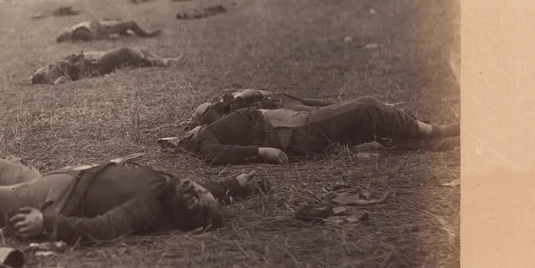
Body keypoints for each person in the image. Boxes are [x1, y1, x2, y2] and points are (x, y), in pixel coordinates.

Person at [0, 159, 268, 247]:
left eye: (195, 200)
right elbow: (205, 188)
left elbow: (104, 228)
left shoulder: (152, 206)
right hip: (59, 176)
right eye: (202, 190)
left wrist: (49, 227)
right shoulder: (177, 188)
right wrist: (237, 183)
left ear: (181, 216)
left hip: (50, 197)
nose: (196, 189)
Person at [167, 95, 459, 165]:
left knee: (363, 125)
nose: (194, 128)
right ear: (187, 139)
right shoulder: (203, 138)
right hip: (292, 132)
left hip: (292, 124)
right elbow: (215, 155)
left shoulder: (216, 124)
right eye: (191, 128)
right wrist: (263, 152)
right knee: (366, 108)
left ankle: (427, 144)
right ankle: (436, 131)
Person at [186, 89, 336, 127]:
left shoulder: (232, 100)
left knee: (313, 105)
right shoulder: (228, 116)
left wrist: (241, 97)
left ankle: (341, 105)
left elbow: (252, 93)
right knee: (312, 111)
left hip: (277, 100)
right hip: (280, 108)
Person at [31, 46, 174, 84]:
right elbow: (66, 75)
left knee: (134, 50)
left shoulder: (53, 68)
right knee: (125, 50)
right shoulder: (53, 72)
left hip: (95, 59)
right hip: (94, 65)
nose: (43, 68)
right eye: (40, 71)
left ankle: (160, 60)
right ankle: (159, 62)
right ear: (42, 75)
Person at [55, 19, 161, 43]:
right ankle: (147, 35)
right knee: (131, 23)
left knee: (121, 24)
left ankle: (124, 33)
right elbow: (93, 36)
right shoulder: (78, 32)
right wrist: (108, 37)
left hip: (102, 26)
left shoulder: (76, 30)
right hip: (104, 29)